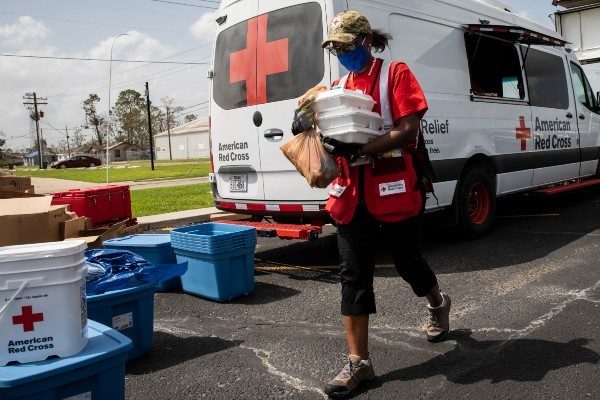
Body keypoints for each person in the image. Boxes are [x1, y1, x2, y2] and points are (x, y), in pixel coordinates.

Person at [299, 11, 452, 398]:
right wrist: (309, 125)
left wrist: (363, 147)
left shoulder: (394, 74)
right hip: (351, 194)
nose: (342, 53)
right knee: (353, 275)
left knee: (407, 261)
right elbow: (327, 129)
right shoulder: (337, 86)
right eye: (335, 47)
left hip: (394, 188)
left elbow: (408, 130)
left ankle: (437, 301)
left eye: (347, 45)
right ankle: (359, 363)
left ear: (366, 40)